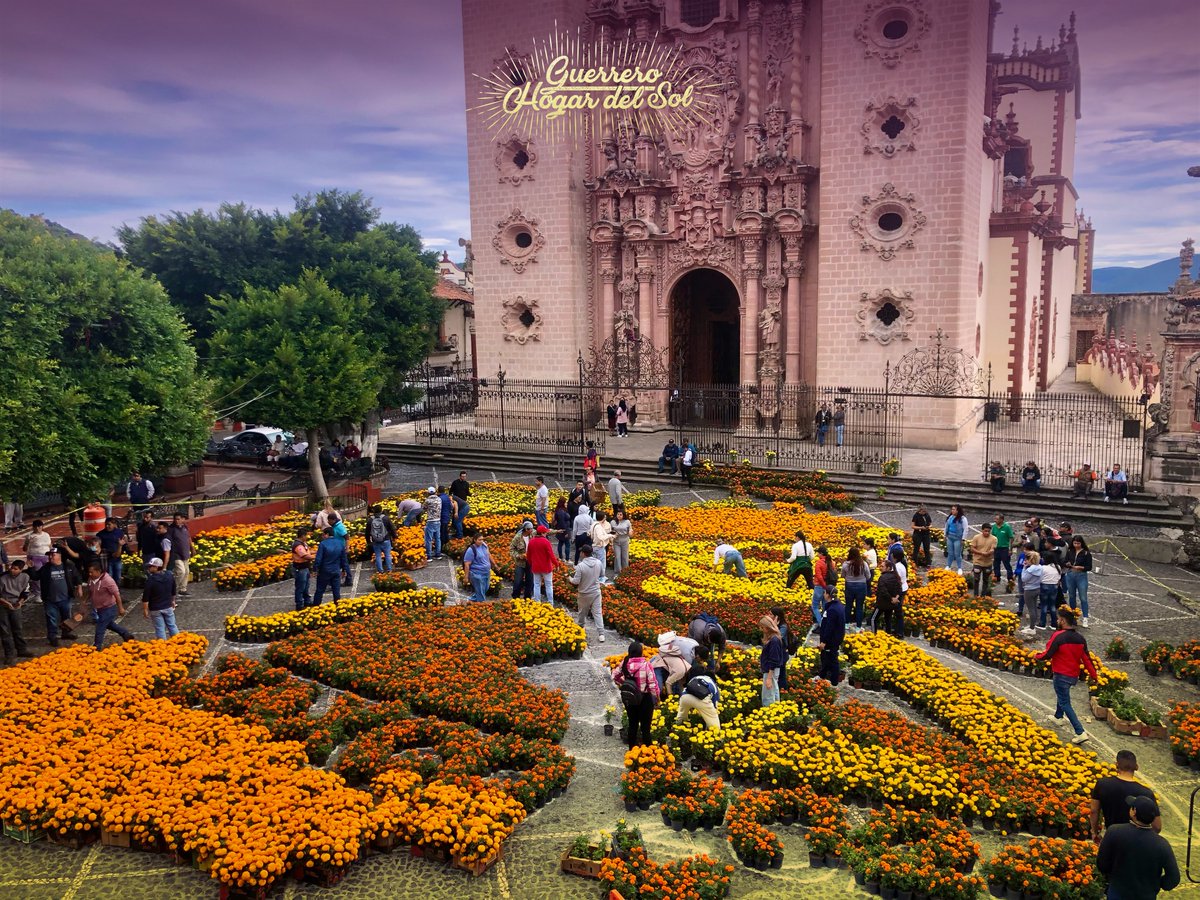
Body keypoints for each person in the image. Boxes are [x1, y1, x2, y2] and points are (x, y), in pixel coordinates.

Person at [1097, 797, 1179, 898]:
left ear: (1134, 812)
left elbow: (1102, 864)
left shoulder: (1114, 831)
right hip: (1146, 895)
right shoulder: (1162, 844)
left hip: (1118, 892)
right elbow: (1174, 878)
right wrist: (1157, 884)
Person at [1035, 608, 1096, 743]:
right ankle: (1058, 717)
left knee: (1065, 702)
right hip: (1073, 675)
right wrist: (1094, 675)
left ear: (1062, 621)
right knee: (1062, 695)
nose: (1057, 621)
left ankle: (1080, 732)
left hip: (1061, 674)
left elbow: (1048, 654)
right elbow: (1086, 659)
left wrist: (1036, 656)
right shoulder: (1080, 638)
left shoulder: (1058, 636)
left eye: (1058, 619)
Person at [1091, 751, 1162, 840]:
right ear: (1136, 767)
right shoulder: (1146, 793)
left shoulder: (1102, 784)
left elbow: (1094, 811)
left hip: (1110, 836)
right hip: (1135, 839)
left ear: (1116, 765)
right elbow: (1157, 827)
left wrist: (1094, 832)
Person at [614, 641, 659, 747]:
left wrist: (625, 683)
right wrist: (657, 698)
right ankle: (647, 752)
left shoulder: (625, 662)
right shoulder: (646, 665)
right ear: (641, 652)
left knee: (632, 725)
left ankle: (632, 750)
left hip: (630, 699)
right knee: (645, 728)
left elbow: (615, 675)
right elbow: (653, 685)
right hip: (644, 699)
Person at [84, 560, 133, 649]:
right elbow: (89, 591)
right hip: (99, 608)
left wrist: (121, 608)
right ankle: (126, 634)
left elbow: (116, 594)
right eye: (89, 572)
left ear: (98, 571)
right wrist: (85, 601)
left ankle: (97, 647)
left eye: (92, 572)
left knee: (100, 627)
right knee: (109, 624)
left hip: (108, 608)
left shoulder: (108, 581)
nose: (90, 574)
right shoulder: (91, 579)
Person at [38, 546, 81, 646]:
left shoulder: (68, 565)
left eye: (53, 555)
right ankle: (52, 637)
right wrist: (31, 568)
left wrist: (79, 587)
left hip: (65, 598)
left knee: (66, 617)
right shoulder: (46, 568)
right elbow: (36, 576)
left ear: (59, 556)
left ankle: (66, 633)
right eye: (49, 555)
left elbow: (77, 576)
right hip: (50, 599)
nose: (50, 557)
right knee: (51, 619)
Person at [677, 648, 721, 732]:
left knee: (681, 717)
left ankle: (677, 728)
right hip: (703, 699)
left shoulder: (696, 678)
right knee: (715, 726)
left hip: (685, 696)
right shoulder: (713, 685)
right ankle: (716, 735)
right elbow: (714, 705)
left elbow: (687, 687)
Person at [569, 545, 605, 643]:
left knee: (582, 612)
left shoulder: (580, 566)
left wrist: (569, 578)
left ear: (583, 554)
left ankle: (581, 628)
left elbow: (576, 581)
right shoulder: (598, 562)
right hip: (596, 592)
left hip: (584, 593)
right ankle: (601, 634)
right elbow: (602, 574)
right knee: (597, 613)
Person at [0, 560, 34, 663]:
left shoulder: (25, 577)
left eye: (15, 569)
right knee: (5, 630)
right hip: (2, 604)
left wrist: (20, 602)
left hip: (15, 603)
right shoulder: (3, 578)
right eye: (12, 568)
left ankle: (22, 650)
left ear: (21, 570)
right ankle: (9, 654)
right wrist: (6, 603)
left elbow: (25, 592)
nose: (12, 570)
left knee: (18, 628)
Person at [140, 557, 179, 639]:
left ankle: (162, 645)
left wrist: (145, 610)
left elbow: (146, 597)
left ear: (156, 567)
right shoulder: (169, 575)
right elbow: (173, 590)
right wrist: (173, 601)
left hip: (155, 608)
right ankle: (179, 642)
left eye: (150, 566)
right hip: (168, 606)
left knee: (160, 628)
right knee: (172, 625)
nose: (149, 568)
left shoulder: (150, 580)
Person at [312, 527, 350, 606]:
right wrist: (344, 570)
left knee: (320, 590)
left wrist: (315, 570)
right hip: (336, 570)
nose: (323, 536)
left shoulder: (323, 544)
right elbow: (344, 559)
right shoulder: (340, 543)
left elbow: (318, 559)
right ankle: (338, 606)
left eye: (323, 535)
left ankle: (316, 607)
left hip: (324, 571)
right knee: (336, 590)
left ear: (327, 534)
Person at [817, 589, 846, 685]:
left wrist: (824, 641)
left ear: (828, 595)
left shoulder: (832, 609)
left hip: (832, 639)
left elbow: (830, 627)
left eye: (825, 593)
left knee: (832, 659)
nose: (823, 594)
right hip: (836, 637)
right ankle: (822, 675)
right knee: (826, 657)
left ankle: (834, 681)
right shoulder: (838, 605)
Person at [1064, 536, 1093, 627]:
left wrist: (1081, 567)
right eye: (1075, 543)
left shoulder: (1086, 553)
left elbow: (1089, 567)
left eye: (1078, 543)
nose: (1076, 545)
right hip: (1070, 574)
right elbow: (1065, 561)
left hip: (1081, 575)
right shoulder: (1070, 551)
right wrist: (1067, 564)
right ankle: (1073, 616)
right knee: (1071, 596)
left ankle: (1085, 618)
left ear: (1081, 543)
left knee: (1083, 597)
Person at [841, 546, 872, 631]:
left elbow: (842, 575)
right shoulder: (863, 564)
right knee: (859, 607)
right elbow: (868, 576)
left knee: (848, 605)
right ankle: (858, 627)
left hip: (849, 586)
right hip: (861, 586)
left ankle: (846, 624)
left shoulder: (846, 564)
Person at [650, 631, 689, 696]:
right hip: (657, 665)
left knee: (675, 685)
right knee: (659, 688)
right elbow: (668, 683)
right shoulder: (681, 671)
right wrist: (671, 697)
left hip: (664, 664)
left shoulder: (684, 666)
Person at [769, 606, 798, 691]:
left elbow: (777, 637)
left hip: (781, 653)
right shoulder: (776, 625)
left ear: (776, 616)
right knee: (779, 673)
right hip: (777, 652)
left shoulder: (783, 627)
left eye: (771, 614)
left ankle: (783, 690)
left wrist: (774, 625)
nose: (769, 616)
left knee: (781, 674)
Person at [463, 533, 497, 603]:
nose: (481, 541)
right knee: (480, 591)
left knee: (485, 588)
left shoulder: (484, 545)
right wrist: (466, 577)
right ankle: (481, 605)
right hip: (477, 573)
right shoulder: (471, 550)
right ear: (475, 540)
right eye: (479, 540)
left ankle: (472, 600)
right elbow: (467, 564)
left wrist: (494, 564)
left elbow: (488, 554)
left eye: (482, 539)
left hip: (486, 572)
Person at [527, 525, 557, 604]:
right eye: (545, 533)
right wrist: (556, 564)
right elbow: (551, 555)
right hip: (546, 568)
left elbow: (528, 555)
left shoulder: (531, 541)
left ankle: (537, 602)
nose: (546, 534)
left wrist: (531, 564)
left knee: (536, 585)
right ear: (542, 533)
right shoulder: (546, 542)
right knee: (549, 585)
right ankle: (550, 603)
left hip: (536, 567)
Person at [873, 560, 903, 637]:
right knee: (888, 620)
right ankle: (888, 636)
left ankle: (873, 635)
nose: (880, 568)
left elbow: (883, 591)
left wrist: (891, 599)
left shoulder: (882, 577)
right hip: (891, 604)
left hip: (881, 603)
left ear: (888, 568)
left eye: (882, 566)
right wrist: (895, 598)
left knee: (873, 619)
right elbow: (900, 589)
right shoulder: (895, 576)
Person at [760, 615, 785, 706]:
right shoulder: (774, 638)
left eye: (762, 627)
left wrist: (769, 678)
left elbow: (774, 660)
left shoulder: (774, 640)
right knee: (774, 691)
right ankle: (776, 708)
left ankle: (769, 710)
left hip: (770, 671)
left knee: (768, 695)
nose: (761, 629)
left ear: (767, 627)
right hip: (772, 670)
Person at [96, 517, 128, 587]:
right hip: (107, 560)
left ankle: (117, 590)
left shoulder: (119, 532)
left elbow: (123, 543)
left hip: (117, 559)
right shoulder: (100, 534)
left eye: (109, 524)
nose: (107, 526)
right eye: (106, 524)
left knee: (118, 577)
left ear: (114, 524)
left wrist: (125, 549)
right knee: (109, 577)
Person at [366, 505, 397, 573]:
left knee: (378, 556)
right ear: (381, 510)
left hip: (375, 541)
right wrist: (395, 537)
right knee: (387, 555)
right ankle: (389, 569)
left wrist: (368, 541)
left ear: (373, 511)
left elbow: (367, 532)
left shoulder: (370, 520)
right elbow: (392, 528)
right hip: (386, 539)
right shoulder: (386, 518)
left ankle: (380, 570)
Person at [1018, 550, 1043, 636]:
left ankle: (1032, 628)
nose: (1025, 561)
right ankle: (1033, 625)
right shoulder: (1040, 567)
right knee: (1034, 607)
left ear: (1030, 560)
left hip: (1029, 589)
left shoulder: (1030, 569)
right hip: (1037, 588)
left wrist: (1024, 568)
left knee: (1031, 609)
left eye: (1026, 559)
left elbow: (1024, 579)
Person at [166, 514, 192, 596]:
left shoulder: (185, 527)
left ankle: (183, 589)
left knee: (186, 572)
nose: (176, 521)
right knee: (181, 571)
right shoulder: (171, 529)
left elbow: (188, 538)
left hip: (185, 552)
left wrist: (192, 548)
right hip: (176, 553)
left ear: (183, 519)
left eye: (178, 519)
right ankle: (172, 588)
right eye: (175, 519)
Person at [968, 526, 997, 598]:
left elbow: (993, 548)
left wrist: (989, 552)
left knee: (986, 580)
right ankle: (976, 595)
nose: (987, 533)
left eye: (988, 531)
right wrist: (981, 553)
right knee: (976, 579)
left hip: (988, 562)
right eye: (985, 531)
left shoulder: (994, 539)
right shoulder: (976, 537)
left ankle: (983, 596)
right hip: (977, 561)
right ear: (982, 530)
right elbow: (972, 548)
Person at [510, 520, 535, 599]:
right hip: (520, 563)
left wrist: (557, 531)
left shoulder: (533, 534)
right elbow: (511, 549)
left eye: (532, 529)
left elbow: (544, 532)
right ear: (526, 529)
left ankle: (527, 597)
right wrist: (518, 556)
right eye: (530, 529)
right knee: (518, 581)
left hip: (530, 561)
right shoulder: (517, 537)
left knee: (530, 580)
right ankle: (515, 597)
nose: (532, 530)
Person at [991, 513, 1015, 592]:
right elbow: (992, 537)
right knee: (996, 563)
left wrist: (1010, 549)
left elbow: (1011, 538)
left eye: (997, 519)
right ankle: (997, 577)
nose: (995, 520)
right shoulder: (994, 526)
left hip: (1004, 548)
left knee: (1007, 564)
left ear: (1002, 520)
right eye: (995, 519)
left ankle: (1010, 579)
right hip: (996, 548)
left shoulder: (1007, 527)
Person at [812, 545, 834, 628]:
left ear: (821, 553)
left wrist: (824, 586)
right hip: (828, 586)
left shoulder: (819, 563)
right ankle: (826, 622)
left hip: (820, 586)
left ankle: (821, 623)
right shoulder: (831, 562)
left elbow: (819, 577)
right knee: (825, 606)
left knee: (815, 606)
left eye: (818, 553)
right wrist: (827, 587)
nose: (817, 554)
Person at [1038, 555, 1063, 630]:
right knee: (1052, 605)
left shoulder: (1043, 568)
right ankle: (1054, 623)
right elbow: (1059, 577)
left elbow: (1040, 577)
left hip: (1044, 585)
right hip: (1054, 586)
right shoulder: (1058, 567)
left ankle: (1042, 623)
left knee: (1044, 605)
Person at [590, 511, 614, 582]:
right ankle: (601, 577)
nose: (605, 518)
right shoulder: (598, 527)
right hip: (599, 546)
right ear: (603, 518)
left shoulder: (594, 524)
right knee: (601, 563)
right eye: (605, 517)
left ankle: (595, 577)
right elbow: (601, 537)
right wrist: (610, 535)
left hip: (594, 546)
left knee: (595, 562)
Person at [291, 535, 313, 611]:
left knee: (306, 586)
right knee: (300, 587)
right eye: (306, 535)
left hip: (305, 567)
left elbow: (307, 552)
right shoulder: (298, 545)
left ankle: (307, 601)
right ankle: (299, 604)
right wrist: (317, 557)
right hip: (300, 569)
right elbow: (304, 556)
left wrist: (316, 551)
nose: (307, 537)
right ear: (302, 536)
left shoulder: (303, 543)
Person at [945, 505, 968, 575]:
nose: (952, 511)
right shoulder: (950, 517)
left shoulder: (963, 519)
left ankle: (959, 568)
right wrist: (945, 535)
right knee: (950, 553)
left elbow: (965, 529)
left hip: (958, 538)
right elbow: (946, 526)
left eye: (954, 509)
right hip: (950, 537)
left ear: (958, 511)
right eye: (952, 509)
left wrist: (963, 539)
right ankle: (948, 566)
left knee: (957, 554)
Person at [423, 487, 443, 560]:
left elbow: (424, 508)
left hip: (431, 521)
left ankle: (429, 556)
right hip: (438, 520)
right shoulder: (439, 499)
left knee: (428, 539)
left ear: (428, 493)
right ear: (435, 492)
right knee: (437, 538)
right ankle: (438, 554)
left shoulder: (427, 500)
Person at [611, 508, 632, 577]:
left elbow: (630, 529)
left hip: (624, 540)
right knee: (617, 557)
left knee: (625, 557)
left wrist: (630, 532)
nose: (619, 516)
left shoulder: (627, 522)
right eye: (618, 514)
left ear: (623, 515)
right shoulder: (613, 522)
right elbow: (610, 530)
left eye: (621, 514)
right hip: (616, 541)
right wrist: (613, 534)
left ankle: (625, 572)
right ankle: (617, 573)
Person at [449, 471, 471, 538]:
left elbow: (467, 492)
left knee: (458, 519)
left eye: (465, 476)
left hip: (462, 503)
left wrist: (471, 494)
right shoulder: (455, 482)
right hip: (456, 501)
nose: (464, 477)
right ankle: (455, 529)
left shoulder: (466, 484)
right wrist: (451, 497)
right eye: (462, 476)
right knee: (455, 517)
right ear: (460, 476)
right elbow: (451, 490)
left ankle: (459, 533)